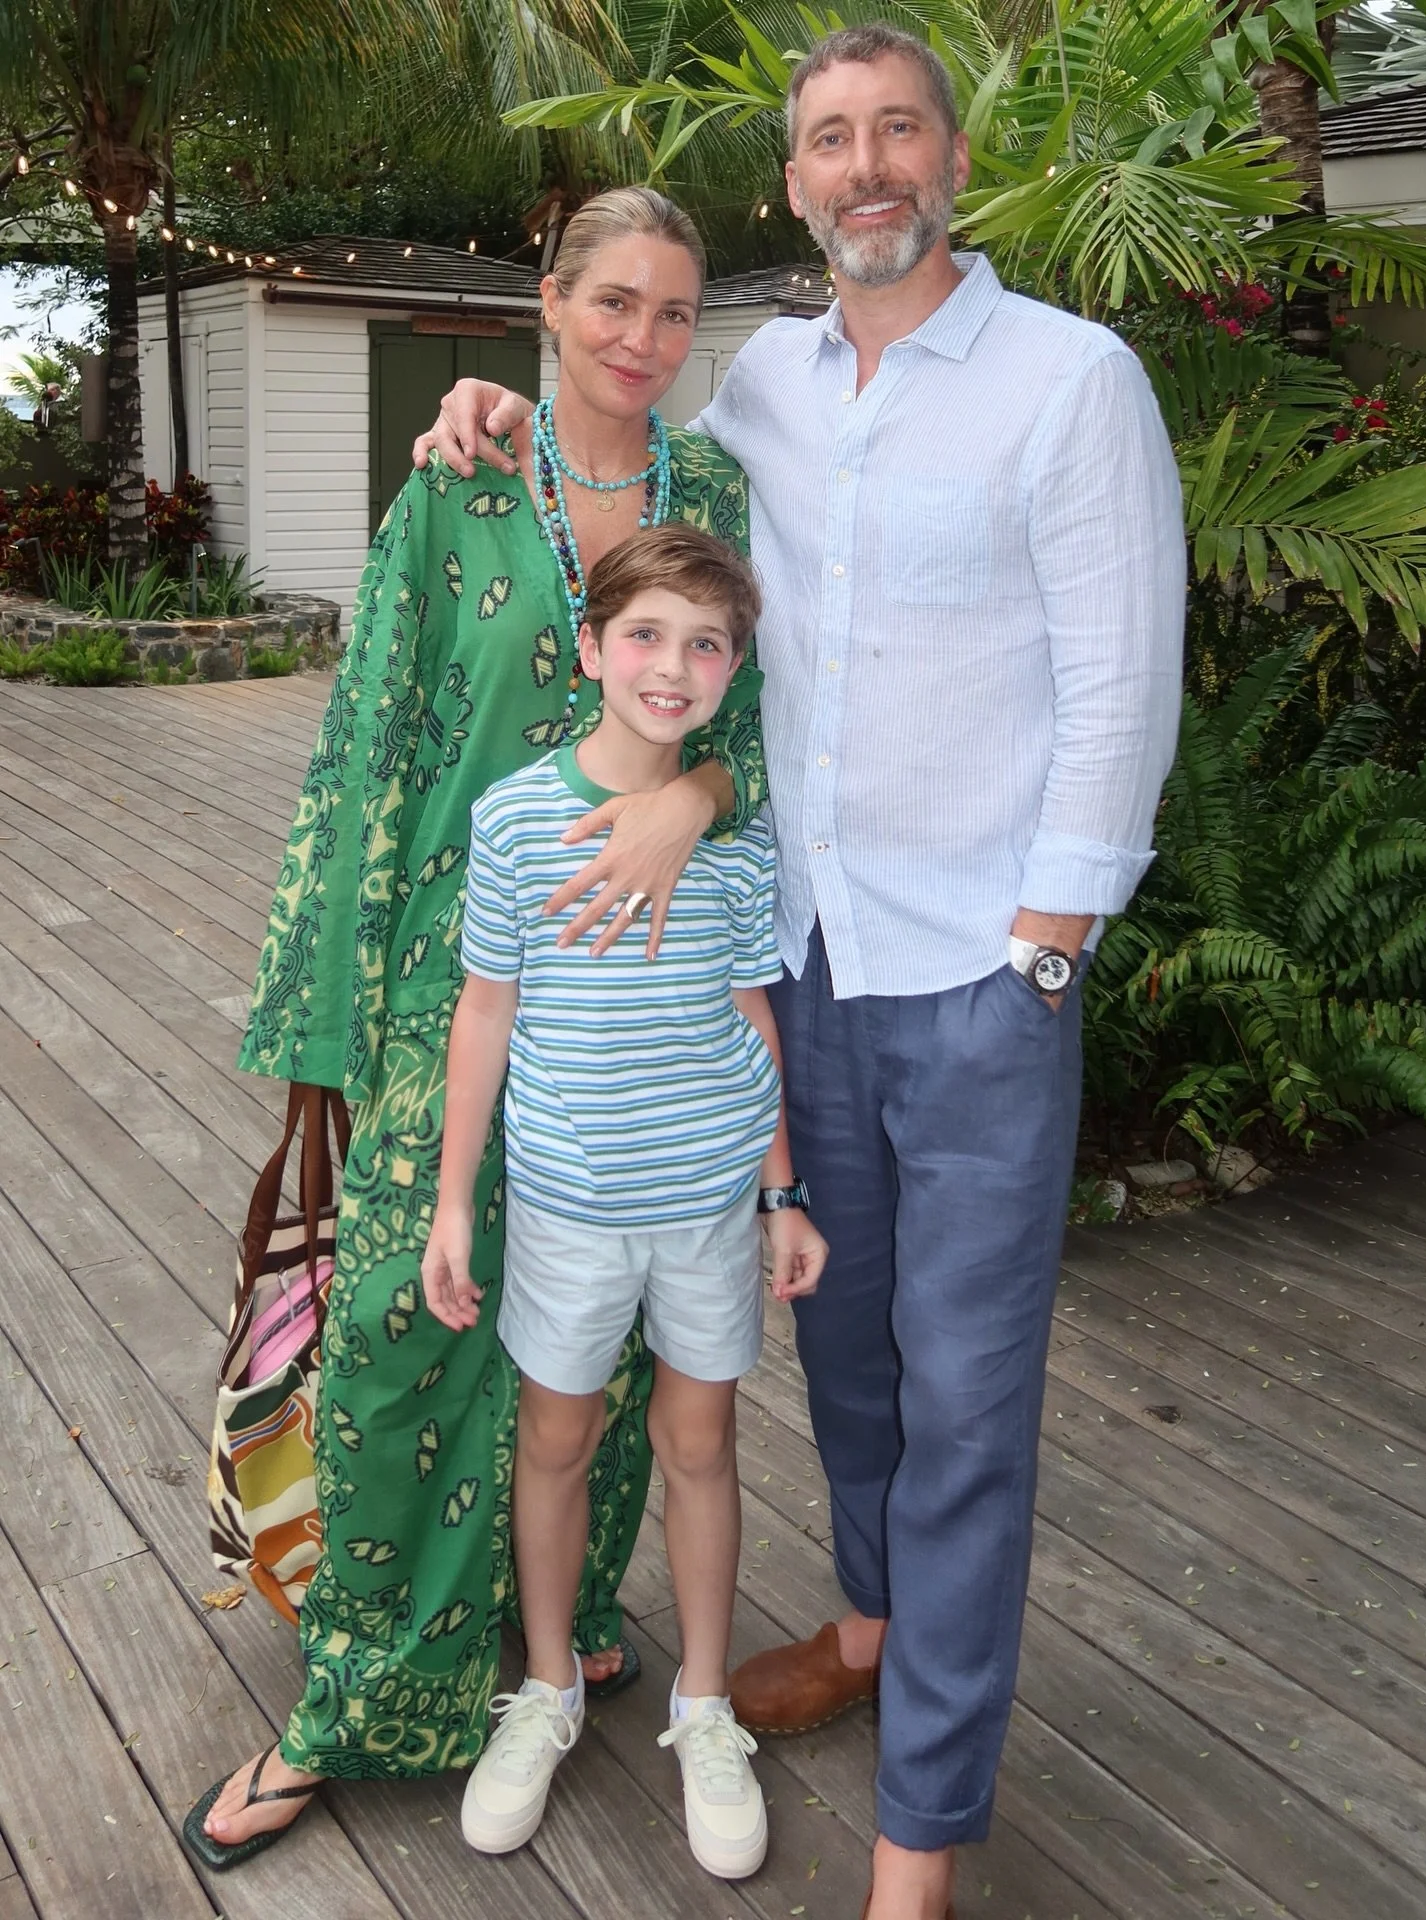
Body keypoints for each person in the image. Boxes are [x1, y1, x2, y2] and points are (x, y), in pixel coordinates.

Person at [417, 23, 1187, 1919]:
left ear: (952, 155)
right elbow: (629, 486)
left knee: (968, 1395)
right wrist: (491, 415)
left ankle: (918, 1840)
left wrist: (1048, 941)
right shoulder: (758, 390)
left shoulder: (1070, 383)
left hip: (982, 979)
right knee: (841, 1352)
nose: (865, 168)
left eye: (896, 131)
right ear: (795, 182)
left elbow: (1121, 680)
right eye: (829, 140)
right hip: (800, 973)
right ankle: (860, 1635)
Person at [186, 186, 769, 1871]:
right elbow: (369, 746)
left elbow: (763, 718)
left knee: (604, 1357)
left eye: (673, 313)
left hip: (647, 1022)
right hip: (469, 990)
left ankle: (558, 1641)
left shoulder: (711, 487)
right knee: (404, 1331)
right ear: (547, 301)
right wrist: (333, 1011)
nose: (643, 341)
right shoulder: (452, 481)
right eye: (614, 305)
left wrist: (700, 797)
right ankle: (348, 1701)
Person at [423, 523, 827, 1877]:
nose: (675, 665)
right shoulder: (516, 820)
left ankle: (705, 1707)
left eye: (706, 643)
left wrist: (785, 1194)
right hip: (564, 1208)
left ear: (733, 669)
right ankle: (547, 1687)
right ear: (592, 648)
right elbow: (485, 1013)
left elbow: (750, 1015)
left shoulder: (736, 845)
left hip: (709, 1203)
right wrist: (454, 1203)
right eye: (646, 635)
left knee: (700, 1444)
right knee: (555, 1441)